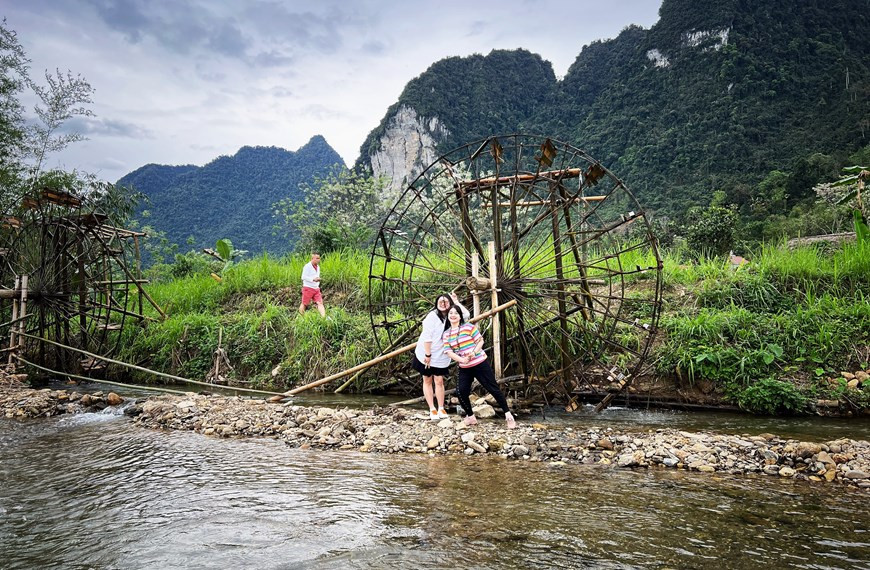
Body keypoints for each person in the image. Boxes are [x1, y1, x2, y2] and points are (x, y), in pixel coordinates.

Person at [442, 304, 516, 429]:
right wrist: (462, 360)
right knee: (461, 391)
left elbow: (480, 341)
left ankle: (508, 415)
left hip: (479, 363)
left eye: (456, 313)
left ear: (460, 316)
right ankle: (470, 416)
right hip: (464, 366)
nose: (453, 315)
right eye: (450, 313)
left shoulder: (468, 327)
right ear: (448, 317)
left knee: (492, 388)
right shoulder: (446, 334)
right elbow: (449, 352)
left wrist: (474, 353)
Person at [412, 292, 469, 420]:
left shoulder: (451, 316)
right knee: (427, 379)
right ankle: (432, 409)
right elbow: (427, 337)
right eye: (440, 302)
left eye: (446, 302)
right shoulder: (432, 317)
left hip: (442, 354)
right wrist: (427, 355)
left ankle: (441, 408)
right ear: (436, 304)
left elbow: (466, 315)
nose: (443, 304)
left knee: (439, 380)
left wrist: (456, 301)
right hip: (426, 352)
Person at [299, 252, 326, 317]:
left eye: (319, 258)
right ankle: (301, 317)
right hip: (308, 288)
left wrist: (318, 280)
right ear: (312, 258)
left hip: (316, 288)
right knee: (304, 304)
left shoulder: (318, 267)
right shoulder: (307, 266)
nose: (318, 260)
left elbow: (316, 276)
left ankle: (324, 318)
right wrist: (313, 279)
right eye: (316, 258)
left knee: (320, 303)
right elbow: (303, 277)